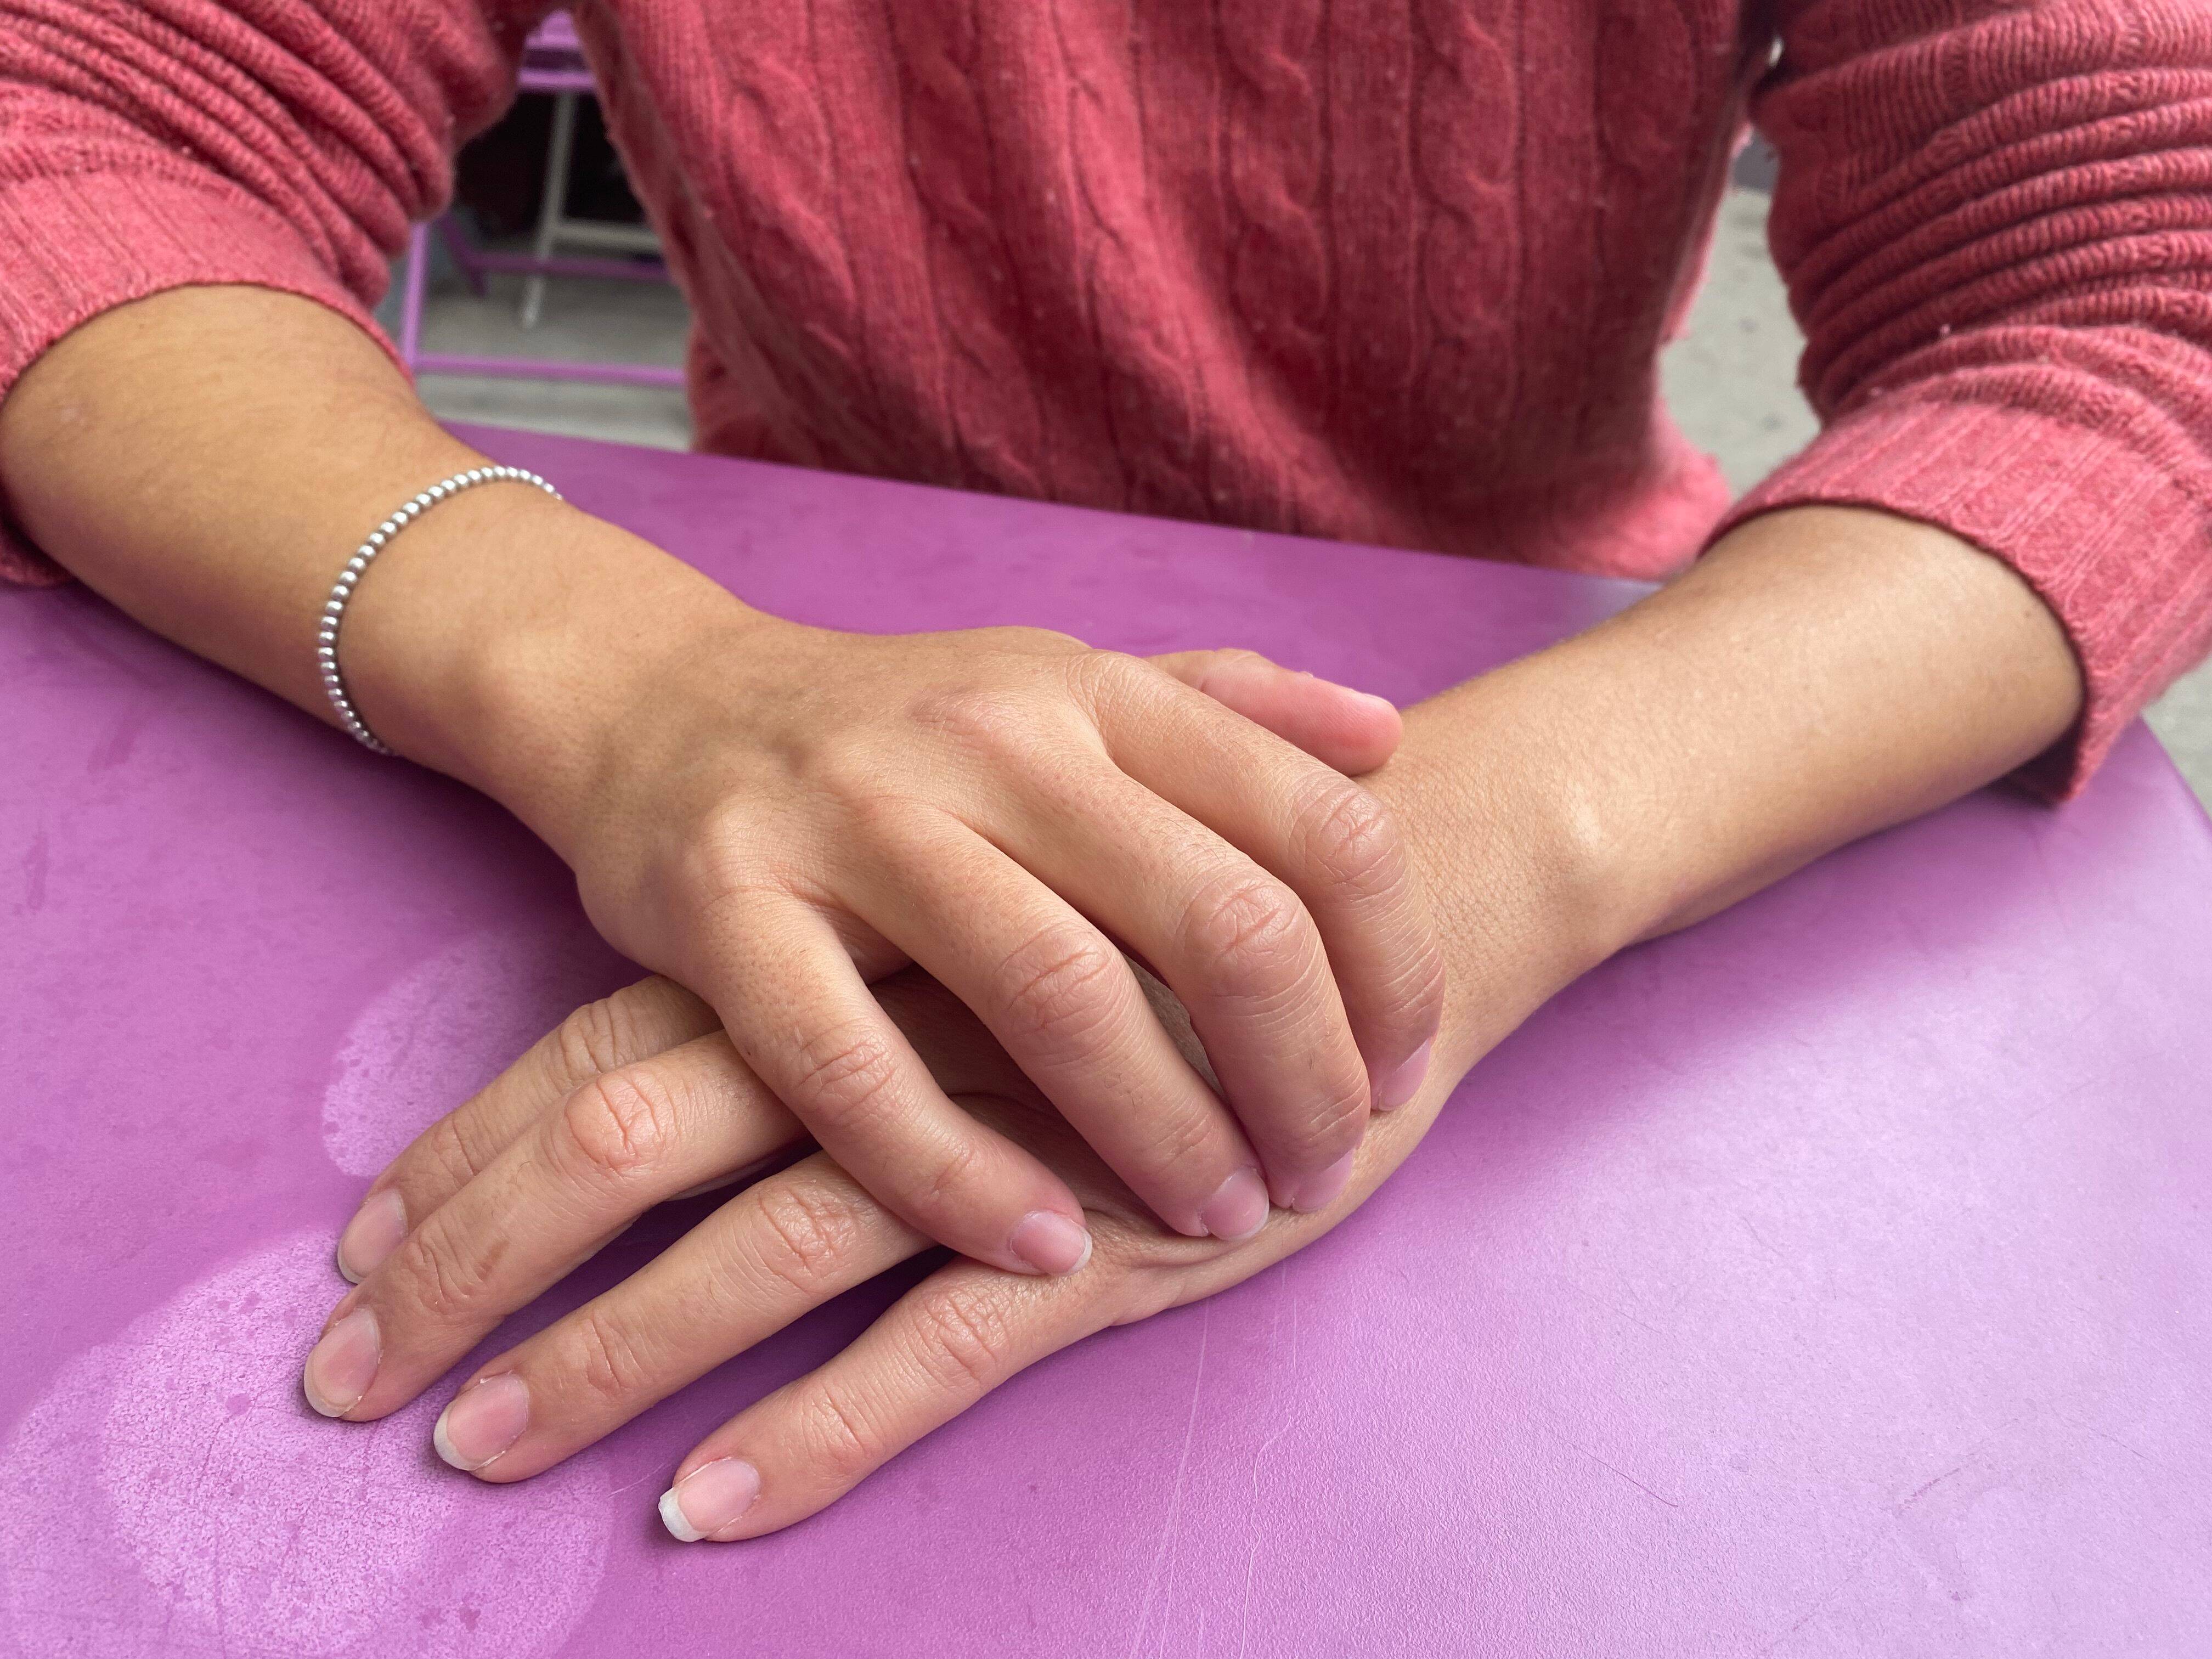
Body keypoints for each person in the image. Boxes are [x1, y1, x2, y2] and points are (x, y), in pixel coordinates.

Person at [0, 0, 2204, 1544]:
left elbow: (2140, 296)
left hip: (1628, 734)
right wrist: (632, 682)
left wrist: (1453, 861)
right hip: (777, 697)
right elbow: (74, 119)